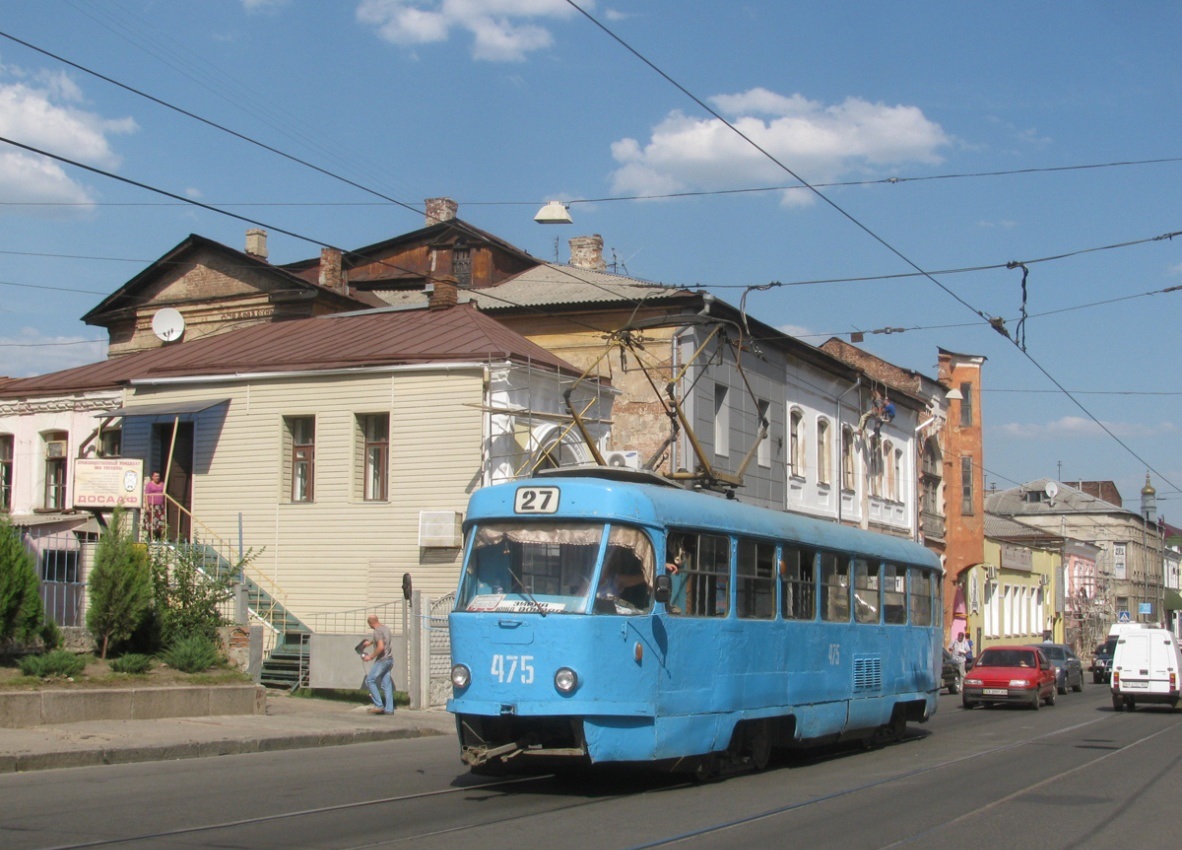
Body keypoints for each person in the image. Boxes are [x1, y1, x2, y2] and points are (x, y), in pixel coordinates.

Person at [360, 614, 396, 714]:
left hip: (382, 660)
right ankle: (389, 709)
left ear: (371, 623)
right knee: (386, 684)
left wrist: (370, 657)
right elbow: (381, 639)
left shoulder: (377, 631)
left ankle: (378, 705)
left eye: (370, 625)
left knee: (370, 680)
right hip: (390, 659)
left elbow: (380, 647)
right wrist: (370, 643)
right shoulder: (385, 628)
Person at [143, 471, 166, 541]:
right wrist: (147, 506)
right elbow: (146, 496)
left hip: (160, 507)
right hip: (152, 506)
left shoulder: (162, 484)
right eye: (155, 476)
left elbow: (164, 494)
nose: (157, 477)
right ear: (152, 477)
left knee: (159, 524)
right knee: (151, 523)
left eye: (158, 476)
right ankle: (150, 538)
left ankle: (158, 538)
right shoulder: (149, 485)